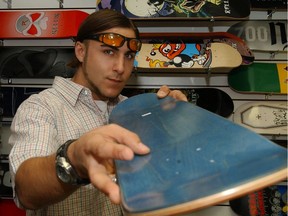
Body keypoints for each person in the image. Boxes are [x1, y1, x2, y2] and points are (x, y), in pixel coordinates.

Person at [8, 9, 187, 215]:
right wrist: (73, 159)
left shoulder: (135, 111)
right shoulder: (42, 108)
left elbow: (166, 183)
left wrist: (175, 130)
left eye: (128, 56)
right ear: (80, 52)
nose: (120, 67)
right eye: (108, 51)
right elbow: (26, 191)